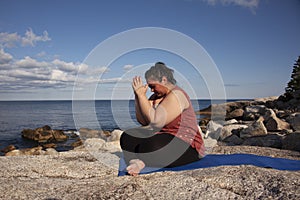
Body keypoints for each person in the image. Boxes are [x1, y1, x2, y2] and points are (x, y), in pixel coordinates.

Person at [120, 62, 205, 176]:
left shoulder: (177, 95)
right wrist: (138, 96)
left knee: (153, 146)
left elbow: (156, 122)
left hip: (187, 146)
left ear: (164, 80)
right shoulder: (155, 97)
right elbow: (143, 121)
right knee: (128, 136)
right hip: (163, 137)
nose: (152, 90)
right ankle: (136, 161)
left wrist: (141, 96)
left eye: (153, 86)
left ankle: (142, 158)